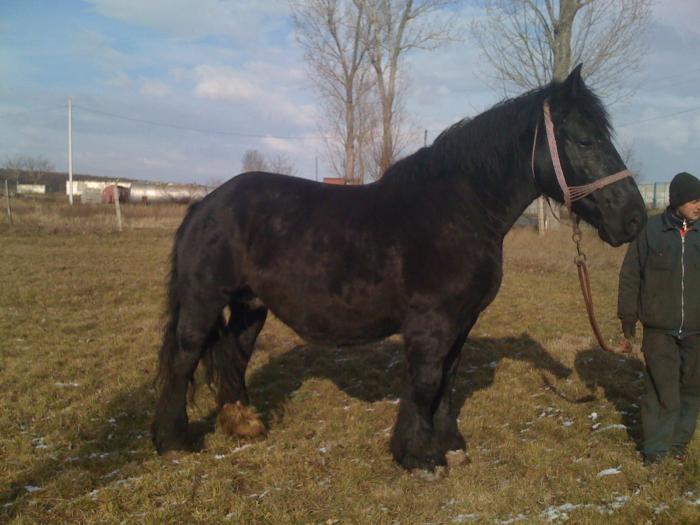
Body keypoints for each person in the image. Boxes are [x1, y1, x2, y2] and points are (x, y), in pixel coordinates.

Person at [618, 171, 700, 464]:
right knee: (661, 388)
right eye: (693, 200)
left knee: (692, 388)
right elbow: (630, 273)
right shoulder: (650, 231)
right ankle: (655, 448)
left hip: (696, 330)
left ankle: (679, 442)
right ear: (677, 200)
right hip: (659, 329)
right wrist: (628, 313)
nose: (699, 205)